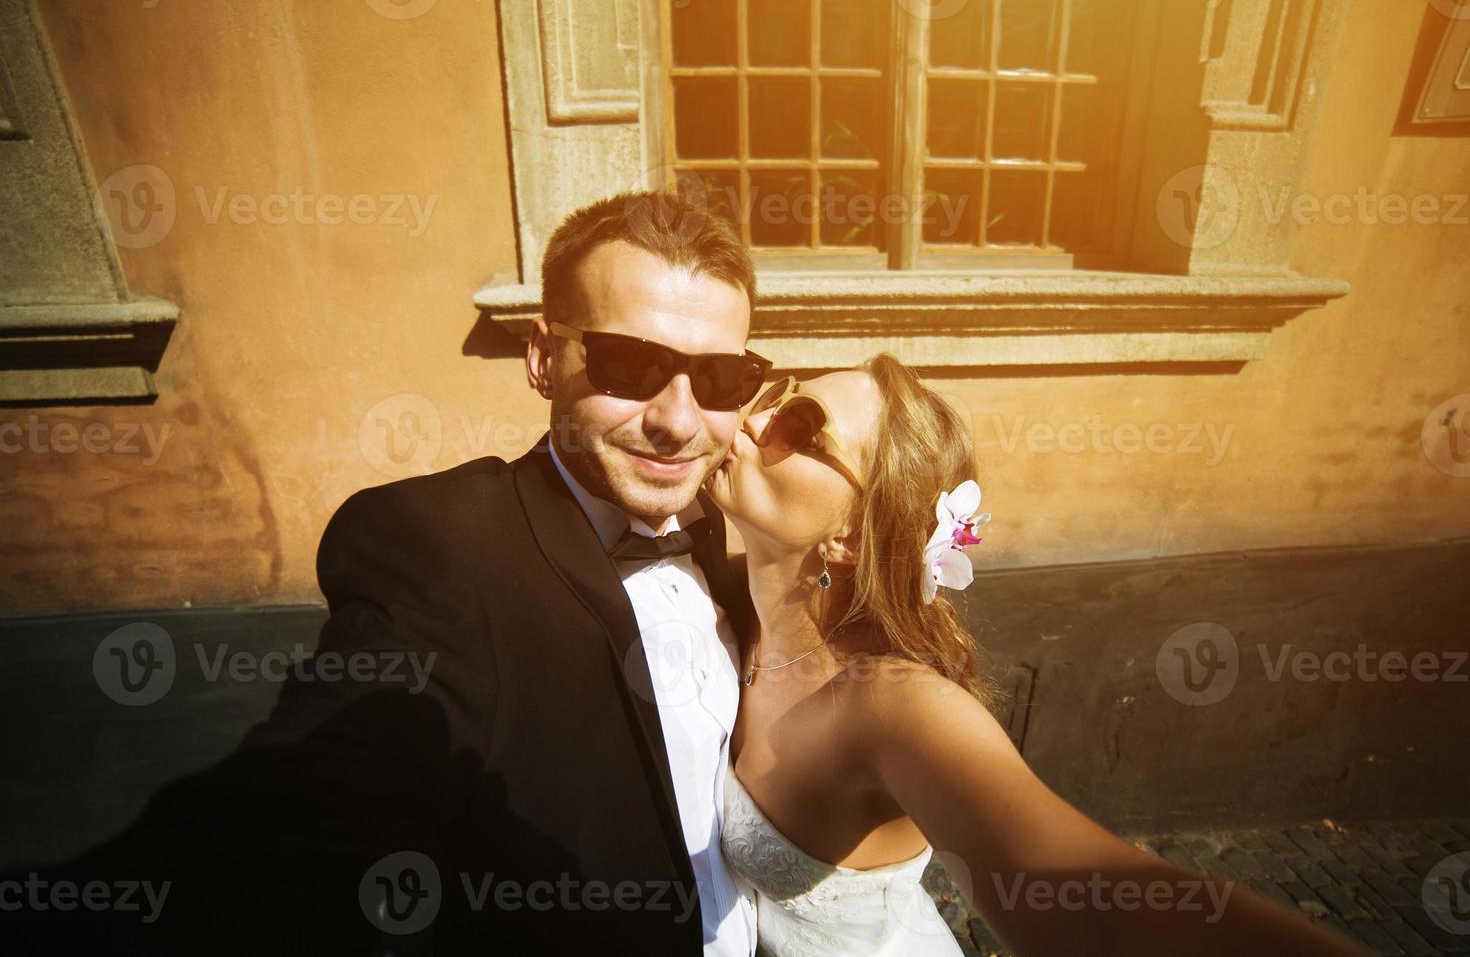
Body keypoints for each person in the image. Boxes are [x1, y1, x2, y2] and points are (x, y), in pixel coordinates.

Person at [4, 188, 765, 956]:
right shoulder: (438, 544)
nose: (678, 421)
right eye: (630, 364)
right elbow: (313, 800)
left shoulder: (735, 530)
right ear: (541, 357)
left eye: (721, 381)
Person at [703, 355, 1370, 957]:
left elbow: (1102, 914)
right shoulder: (717, 598)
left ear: (852, 533)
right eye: (778, 389)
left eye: (801, 424)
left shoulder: (892, 702)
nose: (756, 417)